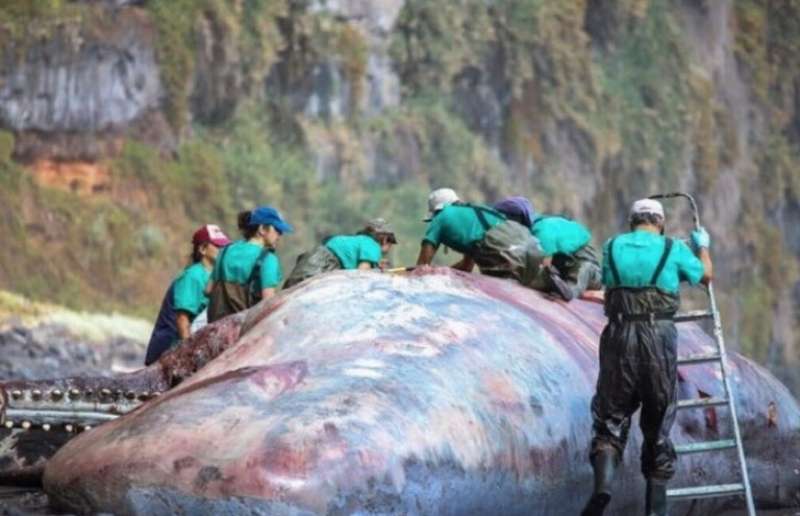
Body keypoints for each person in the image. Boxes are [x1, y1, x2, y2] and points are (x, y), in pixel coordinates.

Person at [581, 198, 713, 516]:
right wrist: (702, 247)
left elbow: (611, 285)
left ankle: (603, 488)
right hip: (658, 338)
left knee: (610, 419)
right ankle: (655, 512)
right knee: (658, 423)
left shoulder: (612, 247)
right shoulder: (672, 248)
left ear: (632, 222)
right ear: (660, 222)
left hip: (618, 337)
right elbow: (706, 276)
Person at [144, 224, 231, 365]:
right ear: (202, 249)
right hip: (169, 350)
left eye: (224, 247)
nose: (223, 251)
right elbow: (182, 319)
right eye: (218, 246)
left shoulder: (213, 277)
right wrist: (189, 355)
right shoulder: (193, 276)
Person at [416, 188, 542, 284]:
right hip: (532, 248)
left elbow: (422, 266)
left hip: (508, 253)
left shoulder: (441, 216)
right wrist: (442, 272)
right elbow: (466, 267)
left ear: (437, 210)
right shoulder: (476, 214)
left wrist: (425, 274)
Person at [494, 196, 602, 301]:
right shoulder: (531, 233)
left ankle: (567, 292)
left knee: (580, 273)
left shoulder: (542, 230)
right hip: (562, 270)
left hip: (589, 271)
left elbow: (544, 266)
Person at [206, 206, 292, 322]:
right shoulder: (268, 259)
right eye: (277, 230)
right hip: (242, 332)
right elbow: (268, 304)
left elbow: (208, 290)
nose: (280, 235)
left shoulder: (225, 251)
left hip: (215, 328)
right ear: (262, 229)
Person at [283, 218, 397, 289]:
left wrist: (375, 266)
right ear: (385, 239)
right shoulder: (373, 245)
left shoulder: (359, 240)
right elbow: (362, 275)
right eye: (391, 242)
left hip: (313, 258)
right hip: (321, 265)